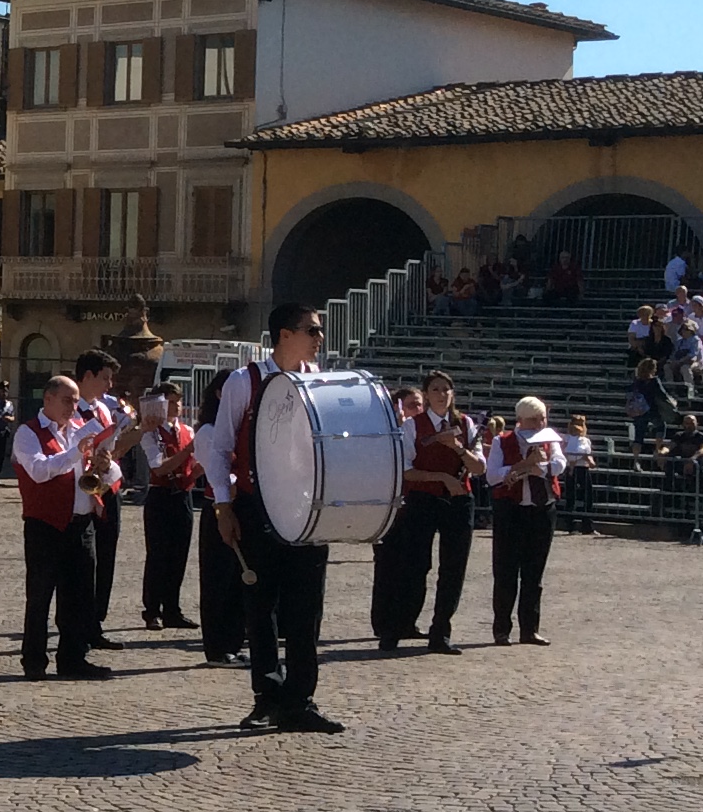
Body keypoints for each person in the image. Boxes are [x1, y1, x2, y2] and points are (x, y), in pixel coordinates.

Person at [197, 302, 345, 734]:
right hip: (255, 506)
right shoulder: (245, 381)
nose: (319, 338)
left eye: (318, 331)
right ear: (284, 334)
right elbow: (221, 447)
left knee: (307, 610)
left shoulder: (320, 381)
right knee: (260, 608)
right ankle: (266, 697)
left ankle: (301, 699)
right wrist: (223, 507)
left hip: (307, 510)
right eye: (311, 329)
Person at [372, 369, 482, 654]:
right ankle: (395, 629)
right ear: (427, 394)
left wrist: (456, 448)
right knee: (413, 565)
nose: (442, 395)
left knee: (453, 568)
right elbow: (406, 471)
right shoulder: (413, 426)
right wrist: (441, 478)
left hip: (459, 501)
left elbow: (479, 467)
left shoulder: (466, 424)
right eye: (435, 390)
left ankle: (440, 632)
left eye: (446, 390)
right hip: (424, 500)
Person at [10, 374, 111, 681]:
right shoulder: (28, 433)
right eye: (67, 400)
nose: (73, 406)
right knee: (40, 595)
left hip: (81, 524)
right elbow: (40, 471)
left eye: (76, 400)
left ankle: (73, 659)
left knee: (79, 597)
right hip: (45, 525)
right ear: (48, 399)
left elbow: (96, 477)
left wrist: (104, 465)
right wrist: (75, 453)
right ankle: (34, 660)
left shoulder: (80, 432)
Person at [486, 396, 567, 647]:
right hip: (511, 510)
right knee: (506, 572)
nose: (540, 423)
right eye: (534, 419)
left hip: (542, 510)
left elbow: (559, 464)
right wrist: (522, 466)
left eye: (542, 418)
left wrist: (538, 469)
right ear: (521, 420)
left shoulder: (549, 439)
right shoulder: (503, 441)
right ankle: (501, 629)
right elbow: (492, 476)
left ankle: (529, 629)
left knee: (534, 574)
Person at [70, 349, 129, 647]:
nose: (109, 385)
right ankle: (81, 624)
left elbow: (111, 447)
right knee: (84, 564)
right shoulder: (71, 410)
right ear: (88, 376)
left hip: (105, 488)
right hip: (79, 494)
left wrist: (107, 460)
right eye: (104, 378)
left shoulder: (104, 410)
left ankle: (96, 622)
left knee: (106, 558)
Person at [189, 370, 245, 666]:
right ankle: (217, 646)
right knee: (217, 581)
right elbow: (218, 473)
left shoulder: (233, 429)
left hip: (238, 508)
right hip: (217, 508)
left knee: (236, 580)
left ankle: (232, 642)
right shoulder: (208, 431)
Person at [137, 385, 199, 630]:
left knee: (178, 556)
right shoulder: (150, 433)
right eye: (171, 402)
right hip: (160, 496)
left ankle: (173, 609)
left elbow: (195, 465)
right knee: (158, 556)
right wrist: (188, 452)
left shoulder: (187, 431)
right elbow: (159, 467)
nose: (176, 407)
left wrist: (198, 467)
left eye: (178, 401)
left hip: (182, 496)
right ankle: (152, 610)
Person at [558, 413, 596, 531]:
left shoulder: (585, 440)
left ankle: (587, 524)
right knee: (571, 496)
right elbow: (566, 451)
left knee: (587, 497)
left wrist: (588, 460)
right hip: (572, 468)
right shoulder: (567, 438)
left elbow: (587, 453)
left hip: (583, 468)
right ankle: (570, 524)